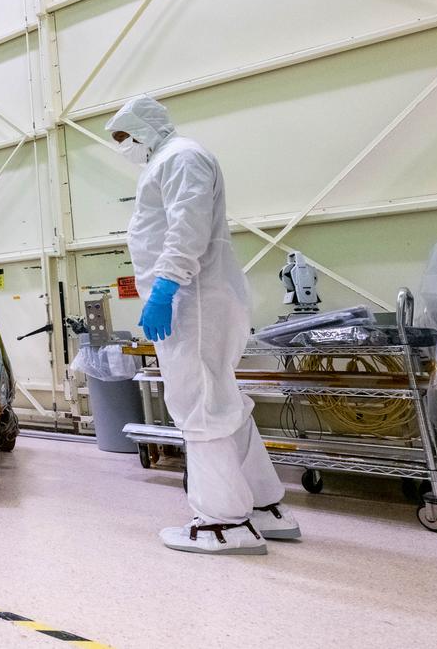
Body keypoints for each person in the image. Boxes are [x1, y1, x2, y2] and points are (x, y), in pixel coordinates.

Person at [107, 96, 299, 555]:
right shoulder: (172, 160)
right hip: (199, 296)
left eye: (124, 135)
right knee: (223, 400)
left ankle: (222, 523)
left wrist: (165, 289)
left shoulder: (180, 157)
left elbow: (186, 228)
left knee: (198, 404)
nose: (123, 145)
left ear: (145, 127)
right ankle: (264, 507)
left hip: (191, 299)